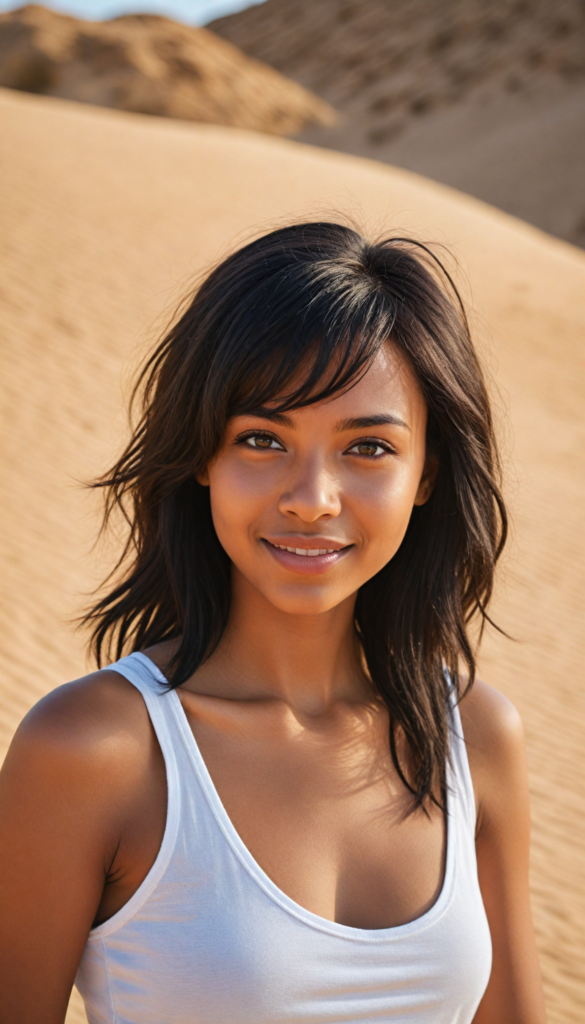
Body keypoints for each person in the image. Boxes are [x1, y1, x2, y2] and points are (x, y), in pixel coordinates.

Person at [0, 223, 546, 1024]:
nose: (311, 497)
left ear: (425, 473)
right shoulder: (93, 751)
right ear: (202, 458)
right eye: (262, 439)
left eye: (367, 448)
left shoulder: (474, 733)